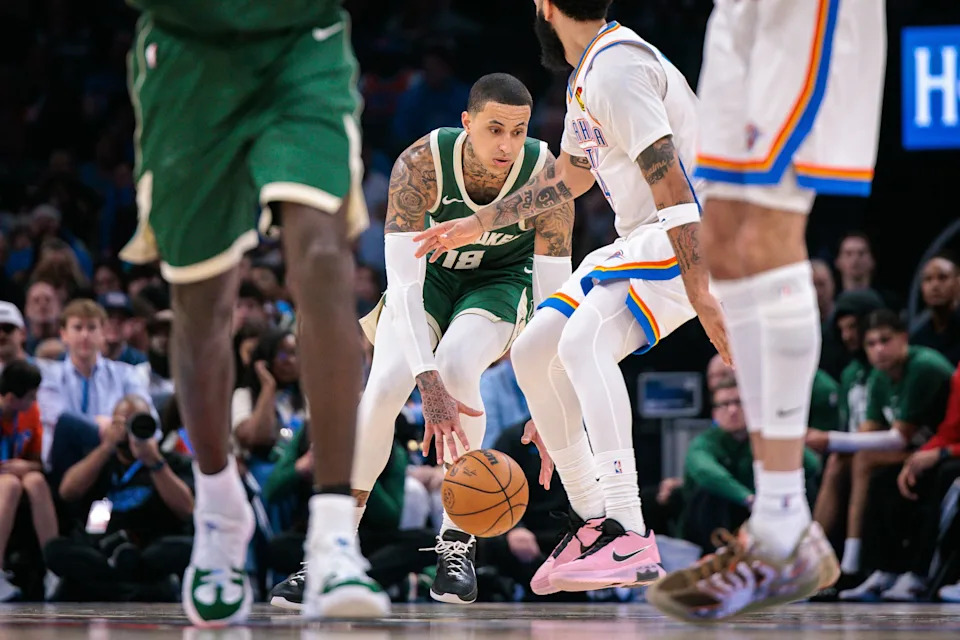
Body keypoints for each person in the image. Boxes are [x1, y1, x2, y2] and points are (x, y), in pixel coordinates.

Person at [415, 0, 728, 595]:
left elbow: (670, 182)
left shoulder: (616, 68)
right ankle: (591, 517)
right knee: (535, 351)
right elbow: (570, 177)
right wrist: (480, 221)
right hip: (643, 236)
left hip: (689, 227)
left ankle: (627, 528)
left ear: (544, 5)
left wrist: (701, 292)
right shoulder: (592, 70)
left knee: (583, 342)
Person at [119, 0, 389, 625]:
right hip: (188, 52)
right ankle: (219, 510)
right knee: (201, 304)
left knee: (324, 257)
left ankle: (333, 534)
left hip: (301, 42)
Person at [643, 0, 887, 620]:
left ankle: (782, 523)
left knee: (765, 232)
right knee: (724, 242)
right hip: (736, 13)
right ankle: (783, 524)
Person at [348, 72, 573, 606]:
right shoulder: (420, 166)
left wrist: (551, 401)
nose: (507, 145)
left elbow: (555, 295)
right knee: (383, 389)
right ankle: (334, 546)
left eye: (518, 131)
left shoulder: (546, 175)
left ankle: (456, 545)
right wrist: (424, 384)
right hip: (428, 281)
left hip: (501, 282)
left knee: (456, 364)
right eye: (495, 129)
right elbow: (404, 288)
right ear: (467, 123)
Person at [805, 310, 953, 584]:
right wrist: (837, 445)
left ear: (904, 338)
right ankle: (811, 561)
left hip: (941, 449)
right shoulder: (879, 374)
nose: (879, 350)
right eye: (871, 344)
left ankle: (851, 565)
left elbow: (899, 438)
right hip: (915, 449)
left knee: (863, 459)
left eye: (885, 340)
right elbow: (869, 429)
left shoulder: (923, 367)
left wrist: (831, 439)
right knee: (839, 459)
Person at [680, 376, 821, 553]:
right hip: (720, 520)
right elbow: (705, 471)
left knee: (804, 484)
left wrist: (777, 434)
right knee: (709, 493)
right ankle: (717, 556)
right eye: (724, 404)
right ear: (714, 413)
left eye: (739, 403)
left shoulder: (764, 437)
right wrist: (747, 498)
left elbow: (811, 464)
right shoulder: (706, 442)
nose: (732, 410)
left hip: (769, 515)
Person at [0, 360, 58, 601]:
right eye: (31, 397)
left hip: (17, 473)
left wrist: (25, 467)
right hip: (6, 481)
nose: (35, 402)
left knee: (36, 481)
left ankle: (54, 568)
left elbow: (38, 463)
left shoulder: (30, 413)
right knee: (9, 485)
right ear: (11, 399)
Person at [910, 254, 960, 365]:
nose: (935, 285)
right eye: (928, 279)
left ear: (958, 282)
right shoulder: (918, 339)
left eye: (942, 277)